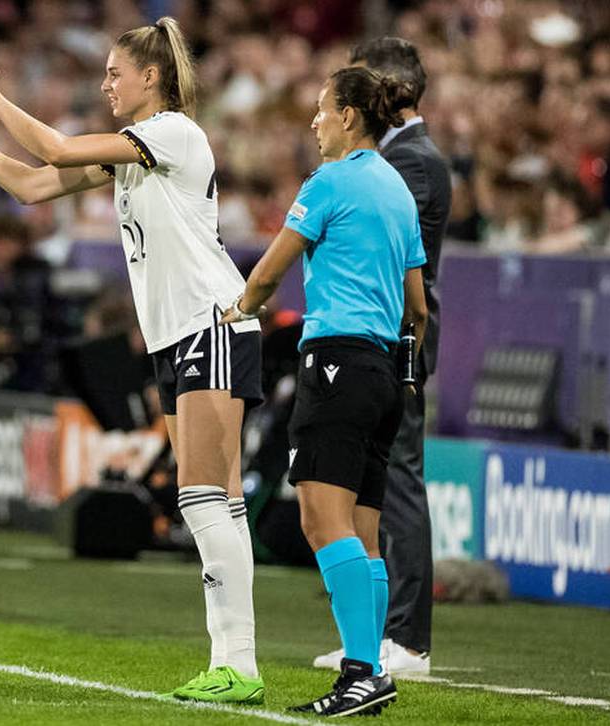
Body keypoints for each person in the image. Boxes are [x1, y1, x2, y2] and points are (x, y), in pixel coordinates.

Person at [0, 19, 265, 703]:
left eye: (114, 73)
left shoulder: (173, 134)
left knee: (205, 497)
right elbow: (31, 185)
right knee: (214, 499)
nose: (105, 85)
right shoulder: (133, 153)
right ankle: (235, 663)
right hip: (179, 335)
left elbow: (56, 147)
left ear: (150, 77)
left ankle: (238, 663)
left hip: (212, 324)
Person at [221, 66, 428, 716]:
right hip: (386, 372)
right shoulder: (398, 191)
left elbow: (268, 273)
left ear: (348, 116)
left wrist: (236, 311)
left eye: (321, 109)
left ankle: (361, 670)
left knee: (319, 519)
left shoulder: (331, 182)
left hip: (336, 362)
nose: (314, 122)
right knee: (364, 533)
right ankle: (372, 669)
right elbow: (419, 308)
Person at [308, 36, 452, 677]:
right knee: (372, 490)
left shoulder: (410, 163)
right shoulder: (399, 161)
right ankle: (371, 639)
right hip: (384, 339)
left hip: (390, 342)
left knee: (397, 485)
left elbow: (391, 260)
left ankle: (408, 640)